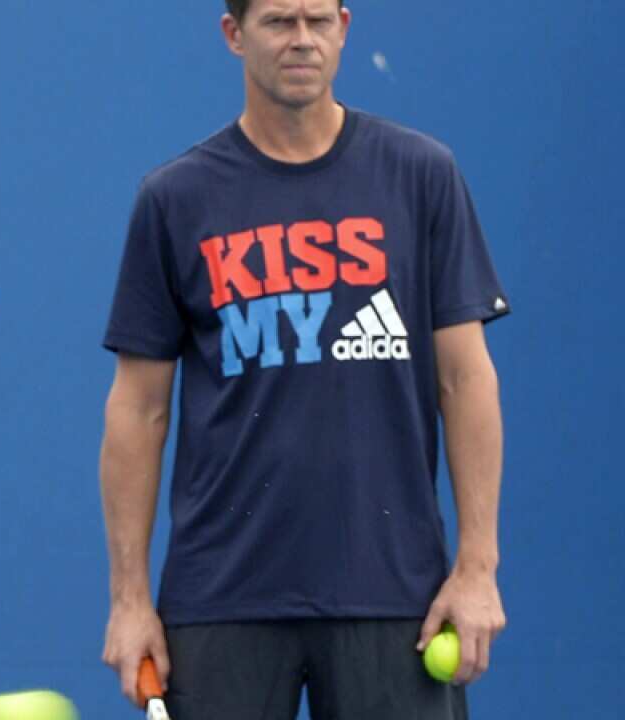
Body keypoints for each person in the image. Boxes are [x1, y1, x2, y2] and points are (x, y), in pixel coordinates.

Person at [98, 1, 507, 717]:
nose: (302, 40)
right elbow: (139, 409)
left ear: (344, 28)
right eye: (280, 22)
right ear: (234, 35)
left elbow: (465, 378)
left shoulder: (421, 176)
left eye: (318, 21)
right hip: (222, 597)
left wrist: (477, 568)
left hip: (394, 595)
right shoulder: (175, 199)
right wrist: (129, 600)